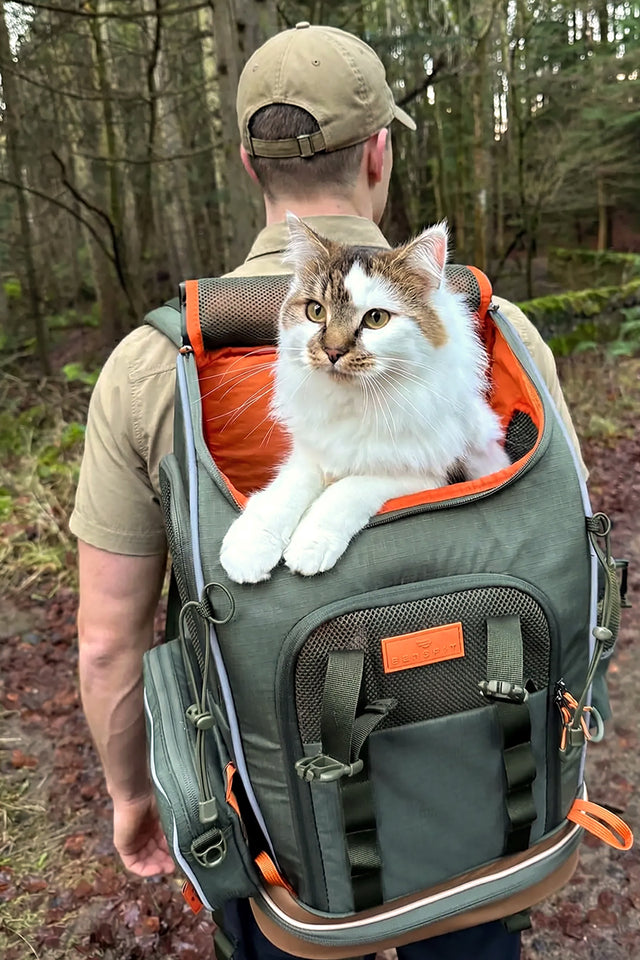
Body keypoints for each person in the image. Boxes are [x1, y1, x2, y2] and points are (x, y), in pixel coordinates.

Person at [71, 22, 587, 960]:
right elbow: (560, 549)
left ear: (243, 163)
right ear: (381, 152)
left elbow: (107, 645)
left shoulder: (154, 364)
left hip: (280, 841)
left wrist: (135, 797)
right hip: (481, 798)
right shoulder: (501, 329)